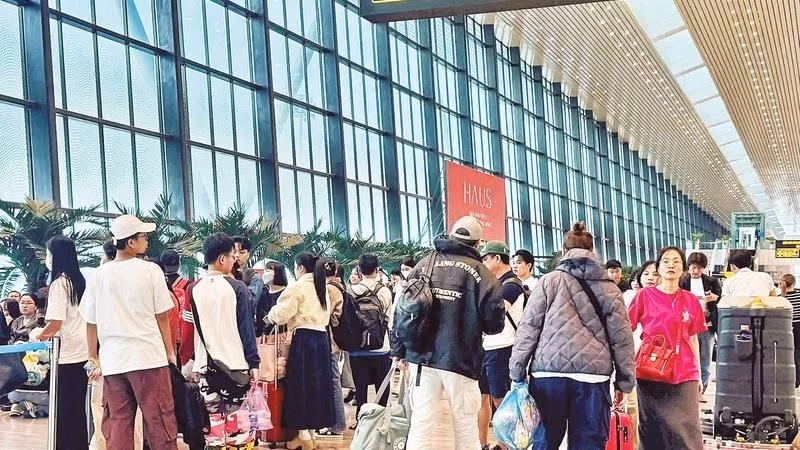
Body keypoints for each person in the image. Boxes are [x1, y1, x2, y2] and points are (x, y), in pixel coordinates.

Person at [510, 222, 635, 450]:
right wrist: (624, 382)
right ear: (594, 252)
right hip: (593, 379)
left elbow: (528, 329)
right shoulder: (610, 288)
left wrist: (517, 371)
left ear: (563, 251)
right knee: (588, 443)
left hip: (547, 375)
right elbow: (622, 338)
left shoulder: (548, 282)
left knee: (545, 442)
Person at [392, 215, 505, 450]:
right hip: (461, 360)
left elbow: (401, 311)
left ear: (451, 235)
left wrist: (399, 350)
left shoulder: (424, 264)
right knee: (464, 425)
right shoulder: (483, 275)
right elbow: (495, 325)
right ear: (478, 243)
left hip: (422, 358)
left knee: (421, 424)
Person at [79, 214, 179, 450]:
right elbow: (162, 316)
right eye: (144, 237)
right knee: (160, 422)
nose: (147, 241)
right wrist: (169, 351)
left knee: (118, 424)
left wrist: (93, 357)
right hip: (148, 358)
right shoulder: (150, 270)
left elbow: (90, 322)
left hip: (113, 362)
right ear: (130, 241)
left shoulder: (99, 275)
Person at [628, 246, 705, 450]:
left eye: (676, 261)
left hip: (685, 371)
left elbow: (693, 338)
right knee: (652, 427)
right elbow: (626, 329)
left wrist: (698, 375)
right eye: (666, 261)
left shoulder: (691, 300)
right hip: (650, 371)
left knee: (688, 428)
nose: (671, 265)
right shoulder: (644, 296)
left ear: (684, 268)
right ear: (658, 267)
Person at [267, 252, 335, 450]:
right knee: (317, 386)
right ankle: (311, 435)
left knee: (300, 385)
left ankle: (303, 436)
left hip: (304, 340)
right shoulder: (322, 286)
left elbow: (282, 314)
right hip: (322, 340)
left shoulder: (297, 287)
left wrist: (269, 316)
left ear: (300, 268)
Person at [189, 233, 259, 411]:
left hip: (205, 368)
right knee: (238, 428)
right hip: (234, 367)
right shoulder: (237, 288)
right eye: (231, 256)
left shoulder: (193, 288)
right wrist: (254, 364)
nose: (234, 260)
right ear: (222, 259)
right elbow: (246, 329)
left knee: (212, 428)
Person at [32, 235, 90, 448]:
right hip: (82, 351)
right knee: (77, 408)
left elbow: (56, 322)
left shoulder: (59, 284)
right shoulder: (79, 281)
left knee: (65, 408)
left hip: (66, 354)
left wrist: (38, 336)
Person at [479, 241, 526, 450]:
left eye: (486, 258)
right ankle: (483, 442)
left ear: (497, 258)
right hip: (488, 347)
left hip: (503, 347)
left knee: (501, 400)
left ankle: (506, 445)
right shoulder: (495, 283)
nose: (483, 262)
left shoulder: (511, 286)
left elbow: (493, 313)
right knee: (484, 397)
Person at [347, 254, 394, 426]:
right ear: (376, 270)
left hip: (356, 349)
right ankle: (382, 420)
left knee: (360, 387)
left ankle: (362, 421)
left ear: (359, 270)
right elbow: (389, 319)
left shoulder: (351, 291)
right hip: (380, 347)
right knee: (382, 386)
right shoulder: (385, 291)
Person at [621, 260, 660, 450]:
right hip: (634, 358)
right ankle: (634, 445)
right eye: (646, 274)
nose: (651, 278)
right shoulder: (629, 297)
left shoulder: (667, 299)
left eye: (655, 274)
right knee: (633, 405)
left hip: (660, 361)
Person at [680, 252, 722, 400]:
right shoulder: (681, 282)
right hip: (686, 326)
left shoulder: (712, 282)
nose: (696, 271)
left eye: (699, 268)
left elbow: (721, 299)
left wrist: (715, 298)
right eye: (693, 267)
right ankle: (687, 390)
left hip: (707, 325)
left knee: (705, 358)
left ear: (703, 268)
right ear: (688, 267)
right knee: (687, 356)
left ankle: (701, 390)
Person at [317, 261, 346, 439]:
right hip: (336, 341)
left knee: (333, 382)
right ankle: (335, 423)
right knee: (334, 381)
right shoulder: (340, 286)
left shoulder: (329, 290)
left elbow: (329, 318)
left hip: (330, 341)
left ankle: (336, 424)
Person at [255, 261, 289, 338]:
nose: (265, 273)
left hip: (282, 336)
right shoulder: (263, 292)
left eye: (268, 270)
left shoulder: (286, 293)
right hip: (264, 337)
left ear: (278, 273)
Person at [781, 274, 800, 388]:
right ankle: (797, 379)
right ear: (794, 284)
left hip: (785, 327)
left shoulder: (781, 298)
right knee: (798, 352)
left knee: (787, 353)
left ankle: (789, 378)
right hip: (799, 326)